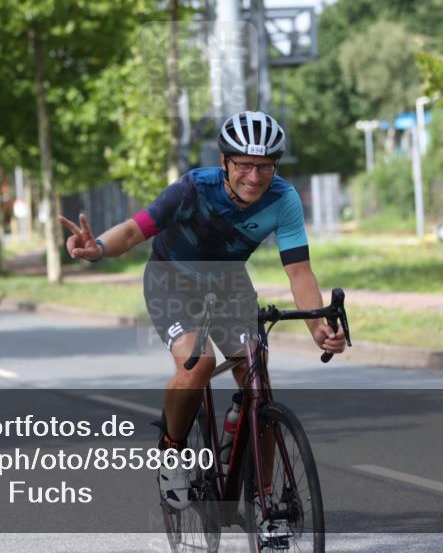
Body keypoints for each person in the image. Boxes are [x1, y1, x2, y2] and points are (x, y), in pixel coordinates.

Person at [59, 111, 346, 522]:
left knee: (257, 380)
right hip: (171, 280)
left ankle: (264, 503)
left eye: (264, 166)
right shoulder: (194, 188)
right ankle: (171, 451)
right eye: (244, 164)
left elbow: (299, 271)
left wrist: (319, 327)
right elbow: (134, 230)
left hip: (229, 284)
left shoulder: (283, 199)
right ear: (226, 162)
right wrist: (98, 248)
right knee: (199, 363)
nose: (254, 175)